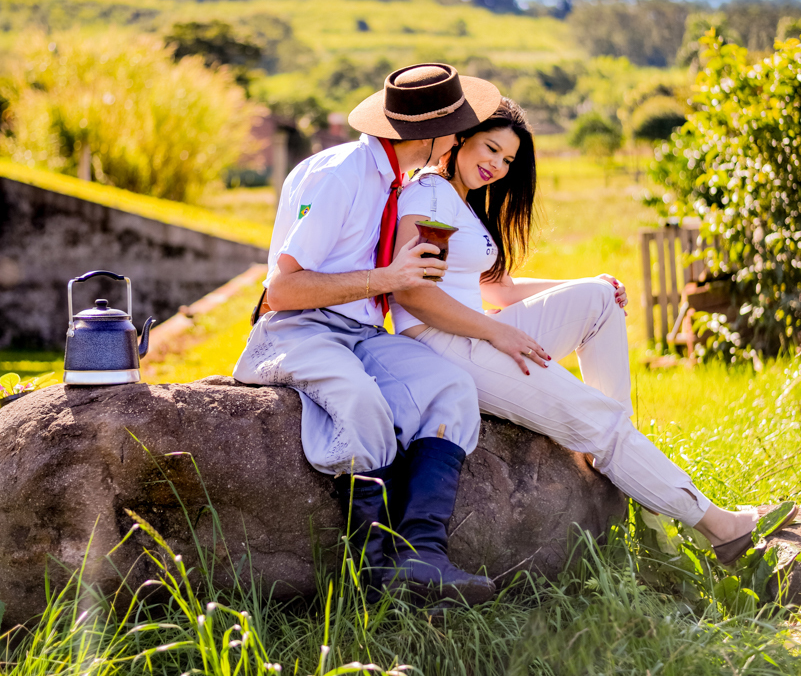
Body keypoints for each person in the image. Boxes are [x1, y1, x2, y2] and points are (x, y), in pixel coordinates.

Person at [391, 98, 797, 566]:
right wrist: (495, 334)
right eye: (490, 148)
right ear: (460, 139)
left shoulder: (459, 203)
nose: (497, 166)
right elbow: (414, 294)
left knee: (600, 301)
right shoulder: (430, 194)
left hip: (473, 330)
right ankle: (721, 529)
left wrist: (585, 284)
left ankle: (622, 461)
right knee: (598, 420)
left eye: (508, 160)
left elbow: (497, 290)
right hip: (444, 343)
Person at [233, 63, 503, 601]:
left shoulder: (396, 182)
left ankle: (423, 556)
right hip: (298, 328)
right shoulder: (338, 176)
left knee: (449, 388)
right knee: (362, 402)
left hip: (360, 331)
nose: (457, 142)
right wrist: (389, 278)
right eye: (454, 131)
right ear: (428, 135)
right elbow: (282, 291)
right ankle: (375, 572)